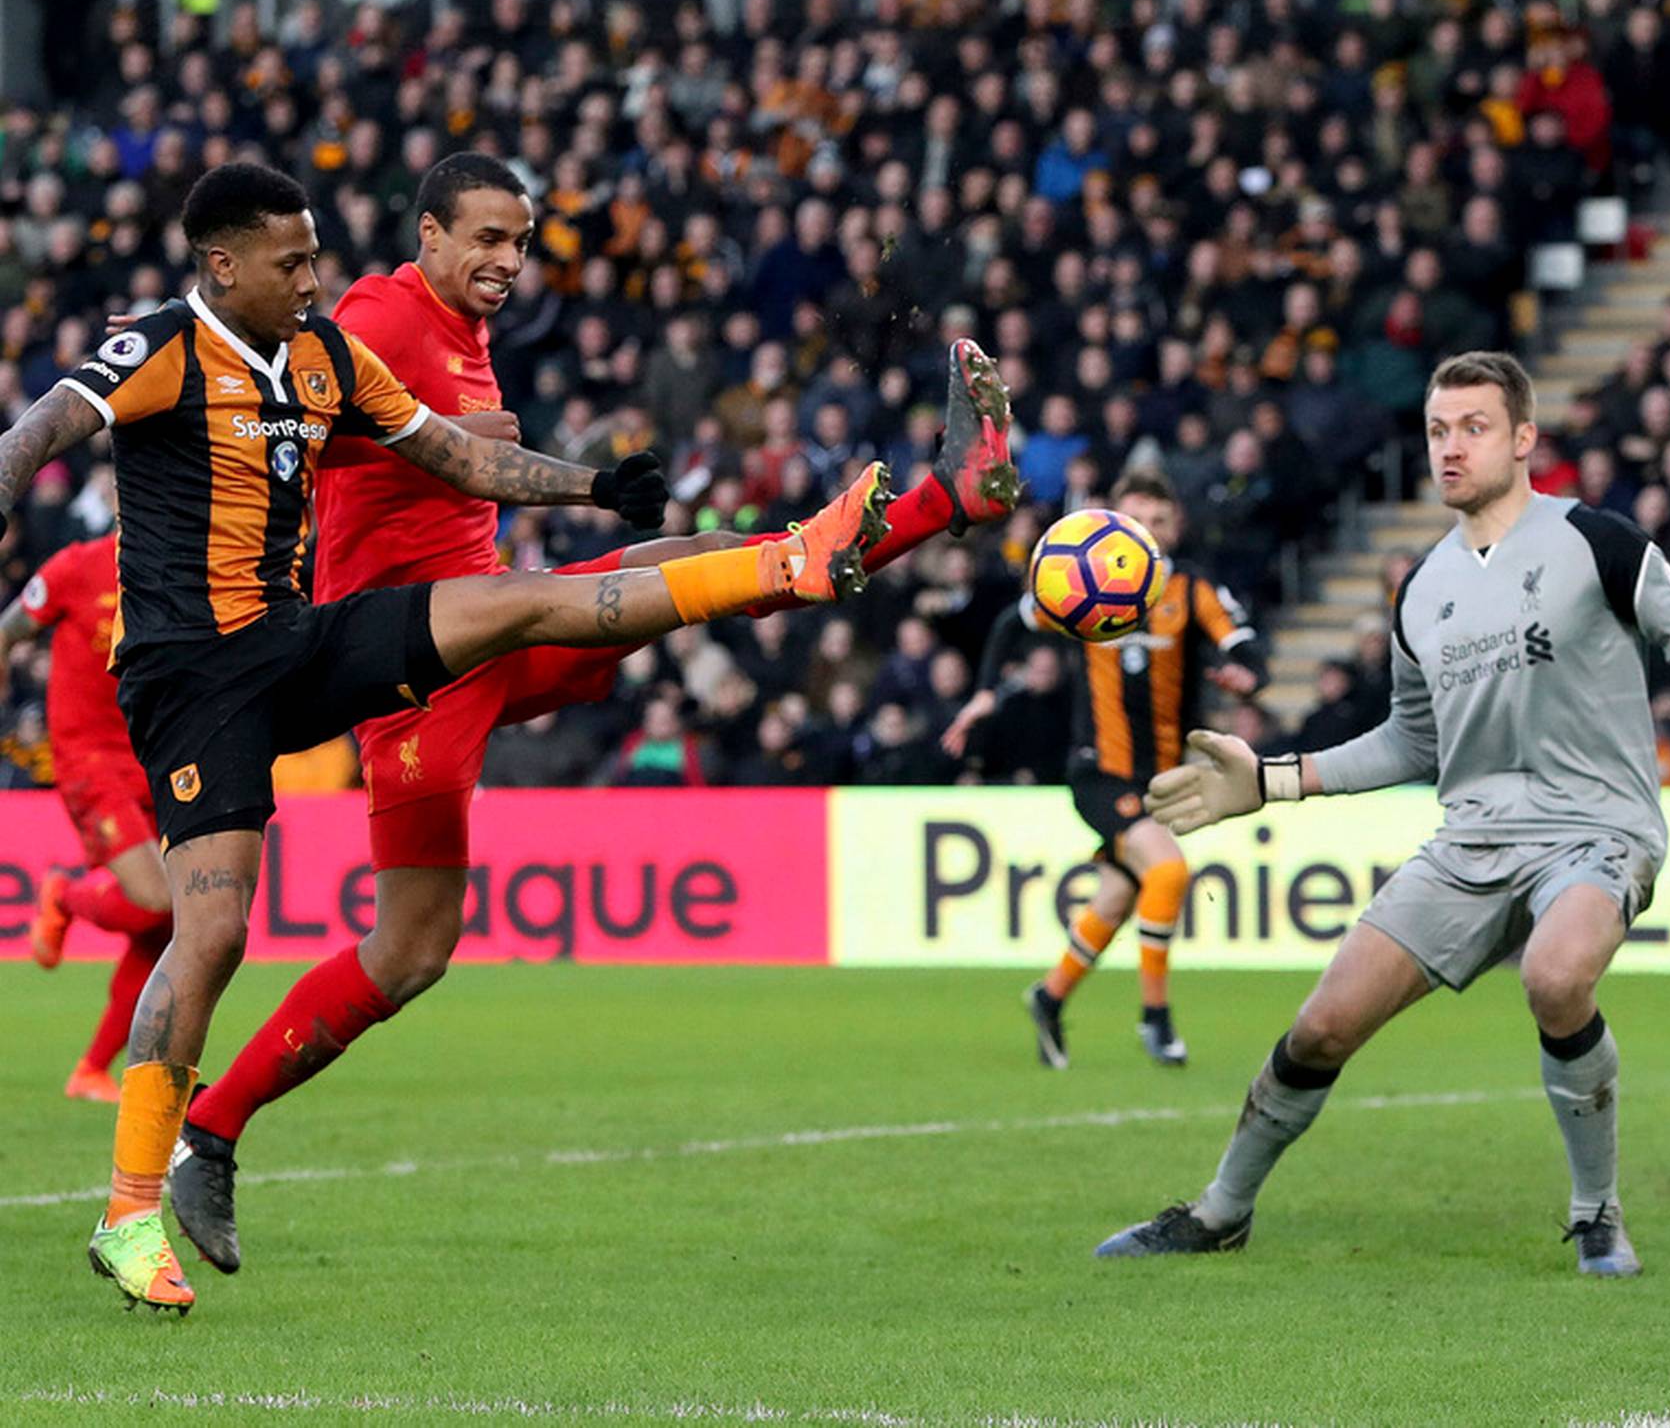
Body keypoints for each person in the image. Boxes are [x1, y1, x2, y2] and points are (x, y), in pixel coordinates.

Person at [0, 162, 968, 1316]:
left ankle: (794, 558)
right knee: (210, 935)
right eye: (293, 262)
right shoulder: (163, 345)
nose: (315, 278)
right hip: (192, 684)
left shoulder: (318, 356)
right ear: (221, 266)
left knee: (519, 597)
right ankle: (128, 1214)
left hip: (301, 636)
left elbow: (456, 457)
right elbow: (38, 432)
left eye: (317, 256)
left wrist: (595, 485)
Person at [1091, 353, 1670, 1273]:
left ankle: (1596, 1211)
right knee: (1322, 1026)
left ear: (1525, 438)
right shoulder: (1422, 589)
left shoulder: (1597, 541)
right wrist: (1274, 779)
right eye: (1438, 430)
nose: (1451, 448)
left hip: (1598, 825)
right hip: (1472, 839)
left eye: (1474, 427)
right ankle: (1221, 1211)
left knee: (1557, 974)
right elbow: (1413, 742)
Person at [943, 472, 1263, 1069]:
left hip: (1164, 777)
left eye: (1160, 521)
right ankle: (1156, 1018)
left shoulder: (1190, 589)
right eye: (1137, 518)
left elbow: (1239, 640)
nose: (1150, 531)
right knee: (1167, 874)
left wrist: (1248, 674)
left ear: (1174, 528)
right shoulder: (1084, 582)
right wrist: (986, 692)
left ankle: (1049, 995)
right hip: (1098, 770)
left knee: (1118, 898)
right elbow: (1012, 622)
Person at [3, 487, 176, 1104]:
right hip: (88, 759)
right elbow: (8, 629)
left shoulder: (185, 578)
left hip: (156, 762)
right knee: (159, 901)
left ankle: (93, 1070)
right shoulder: (78, 567)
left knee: (163, 932)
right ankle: (66, 895)